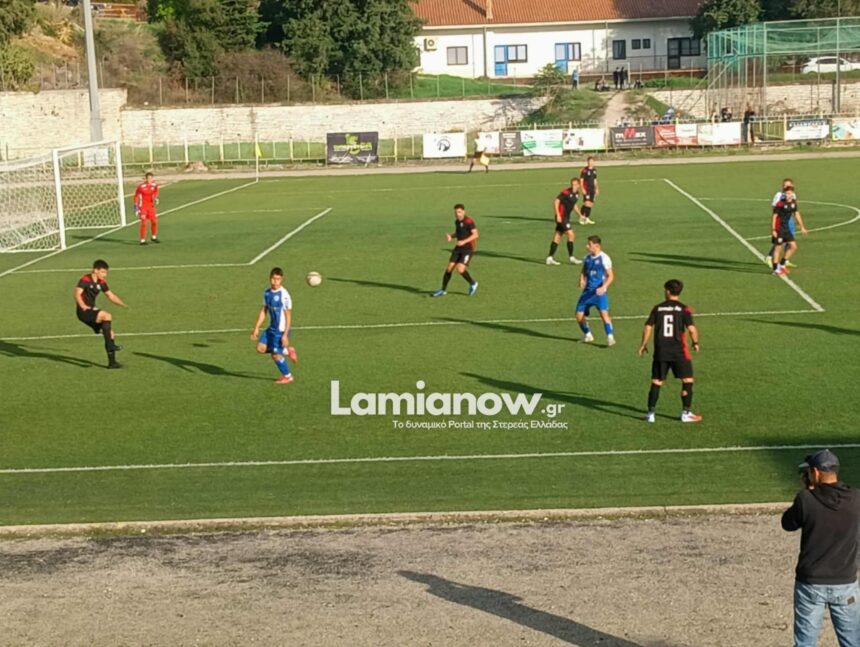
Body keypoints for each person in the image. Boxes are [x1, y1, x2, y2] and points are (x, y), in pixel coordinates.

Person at [782, 449, 860, 647]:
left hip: (811, 583)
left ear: (815, 472)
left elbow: (787, 523)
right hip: (845, 582)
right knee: (853, 642)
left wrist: (807, 490)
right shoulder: (856, 499)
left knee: (805, 643)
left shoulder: (806, 499)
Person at [637, 279, 702, 423]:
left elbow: (648, 327)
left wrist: (643, 344)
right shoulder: (684, 309)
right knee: (687, 380)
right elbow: (692, 329)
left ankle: (650, 414)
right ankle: (686, 413)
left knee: (657, 381)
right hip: (679, 351)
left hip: (661, 351)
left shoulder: (657, 308)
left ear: (667, 291)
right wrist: (695, 342)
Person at [74, 259, 128, 369]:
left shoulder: (101, 282)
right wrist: (82, 305)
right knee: (107, 315)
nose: (105, 275)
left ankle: (112, 363)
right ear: (95, 270)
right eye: (103, 272)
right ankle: (110, 345)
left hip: (91, 311)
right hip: (83, 311)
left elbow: (110, 295)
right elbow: (77, 294)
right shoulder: (85, 279)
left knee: (110, 334)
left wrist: (123, 304)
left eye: (106, 272)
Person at [251, 267, 298, 385]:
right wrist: (256, 327)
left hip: (281, 330)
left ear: (281, 279)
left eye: (278, 279)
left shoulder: (284, 295)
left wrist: (285, 335)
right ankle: (287, 351)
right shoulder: (267, 293)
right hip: (271, 328)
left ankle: (288, 376)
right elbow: (264, 311)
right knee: (260, 348)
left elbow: (288, 316)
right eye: (273, 279)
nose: (275, 282)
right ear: (270, 278)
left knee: (275, 355)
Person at [431, 203, 479, 297]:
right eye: (456, 212)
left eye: (459, 212)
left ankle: (473, 283)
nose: (457, 214)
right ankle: (443, 290)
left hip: (468, 249)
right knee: (449, 268)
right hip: (458, 248)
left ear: (464, 212)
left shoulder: (469, 221)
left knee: (460, 269)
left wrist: (464, 241)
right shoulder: (457, 221)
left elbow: (475, 235)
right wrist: (451, 236)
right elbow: (459, 232)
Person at [576, 235, 615, 346]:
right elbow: (584, 270)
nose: (587, 246)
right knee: (579, 315)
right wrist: (581, 279)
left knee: (604, 314)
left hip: (599, 293)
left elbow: (611, 276)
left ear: (597, 246)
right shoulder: (587, 258)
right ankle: (588, 335)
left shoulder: (604, 258)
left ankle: (610, 336)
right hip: (587, 292)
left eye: (589, 244)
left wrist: (603, 287)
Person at [772, 186, 808, 276]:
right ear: (784, 194)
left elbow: (796, 214)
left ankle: (782, 264)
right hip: (779, 228)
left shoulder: (793, 203)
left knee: (793, 246)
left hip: (786, 228)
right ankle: (776, 269)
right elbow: (774, 216)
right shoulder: (780, 204)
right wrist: (773, 229)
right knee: (778, 248)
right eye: (787, 193)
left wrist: (802, 227)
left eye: (790, 193)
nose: (789, 195)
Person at [546, 178, 583, 266]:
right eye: (572, 184)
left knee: (558, 236)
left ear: (578, 185)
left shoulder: (577, 194)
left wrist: (580, 215)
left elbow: (574, 205)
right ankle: (571, 257)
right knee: (571, 234)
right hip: (562, 217)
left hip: (566, 217)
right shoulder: (566, 192)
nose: (573, 186)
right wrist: (558, 214)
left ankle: (550, 258)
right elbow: (556, 201)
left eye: (575, 185)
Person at [767, 178, 798, 269]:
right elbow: (775, 208)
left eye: (788, 185)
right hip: (781, 220)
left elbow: (794, 208)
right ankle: (770, 257)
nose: (785, 186)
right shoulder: (779, 195)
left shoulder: (793, 195)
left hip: (789, 219)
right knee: (780, 242)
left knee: (790, 239)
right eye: (784, 185)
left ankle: (785, 260)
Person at [134, 171, 160, 245]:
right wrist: (136, 207)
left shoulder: (154, 185)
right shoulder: (141, 187)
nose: (150, 180)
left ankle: (153, 237)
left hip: (151, 207)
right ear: (146, 179)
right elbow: (136, 196)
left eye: (151, 178)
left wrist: (156, 198)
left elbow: (156, 192)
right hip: (143, 207)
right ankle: (142, 240)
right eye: (148, 178)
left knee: (154, 222)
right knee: (144, 223)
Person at [578, 156, 599, 225]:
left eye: (592, 161)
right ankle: (581, 217)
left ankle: (587, 218)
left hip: (592, 189)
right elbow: (581, 180)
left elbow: (595, 180)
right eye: (590, 161)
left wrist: (597, 188)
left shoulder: (594, 170)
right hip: (586, 189)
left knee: (590, 204)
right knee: (587, 203)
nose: (591, 163)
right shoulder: (584, 170)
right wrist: (582, 189)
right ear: (587, 162)